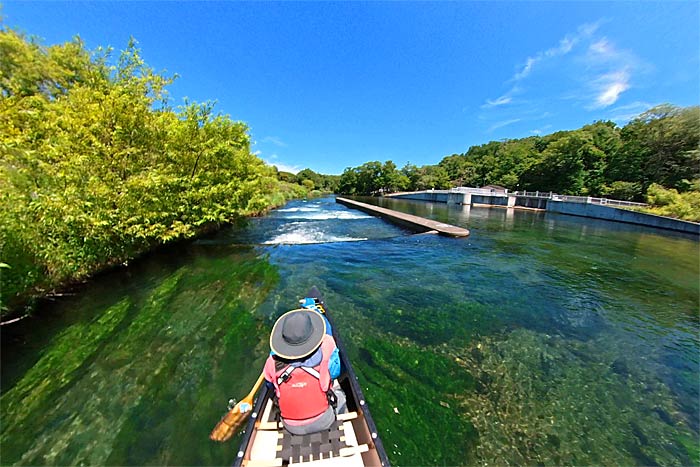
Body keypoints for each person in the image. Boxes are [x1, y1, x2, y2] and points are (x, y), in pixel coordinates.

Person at [264, 308, 346, 435]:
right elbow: (336, 372)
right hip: (324, 421)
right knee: (341, 395)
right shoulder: (327, 345)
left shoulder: (271, 362)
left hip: (290, 426)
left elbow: (270, 385)